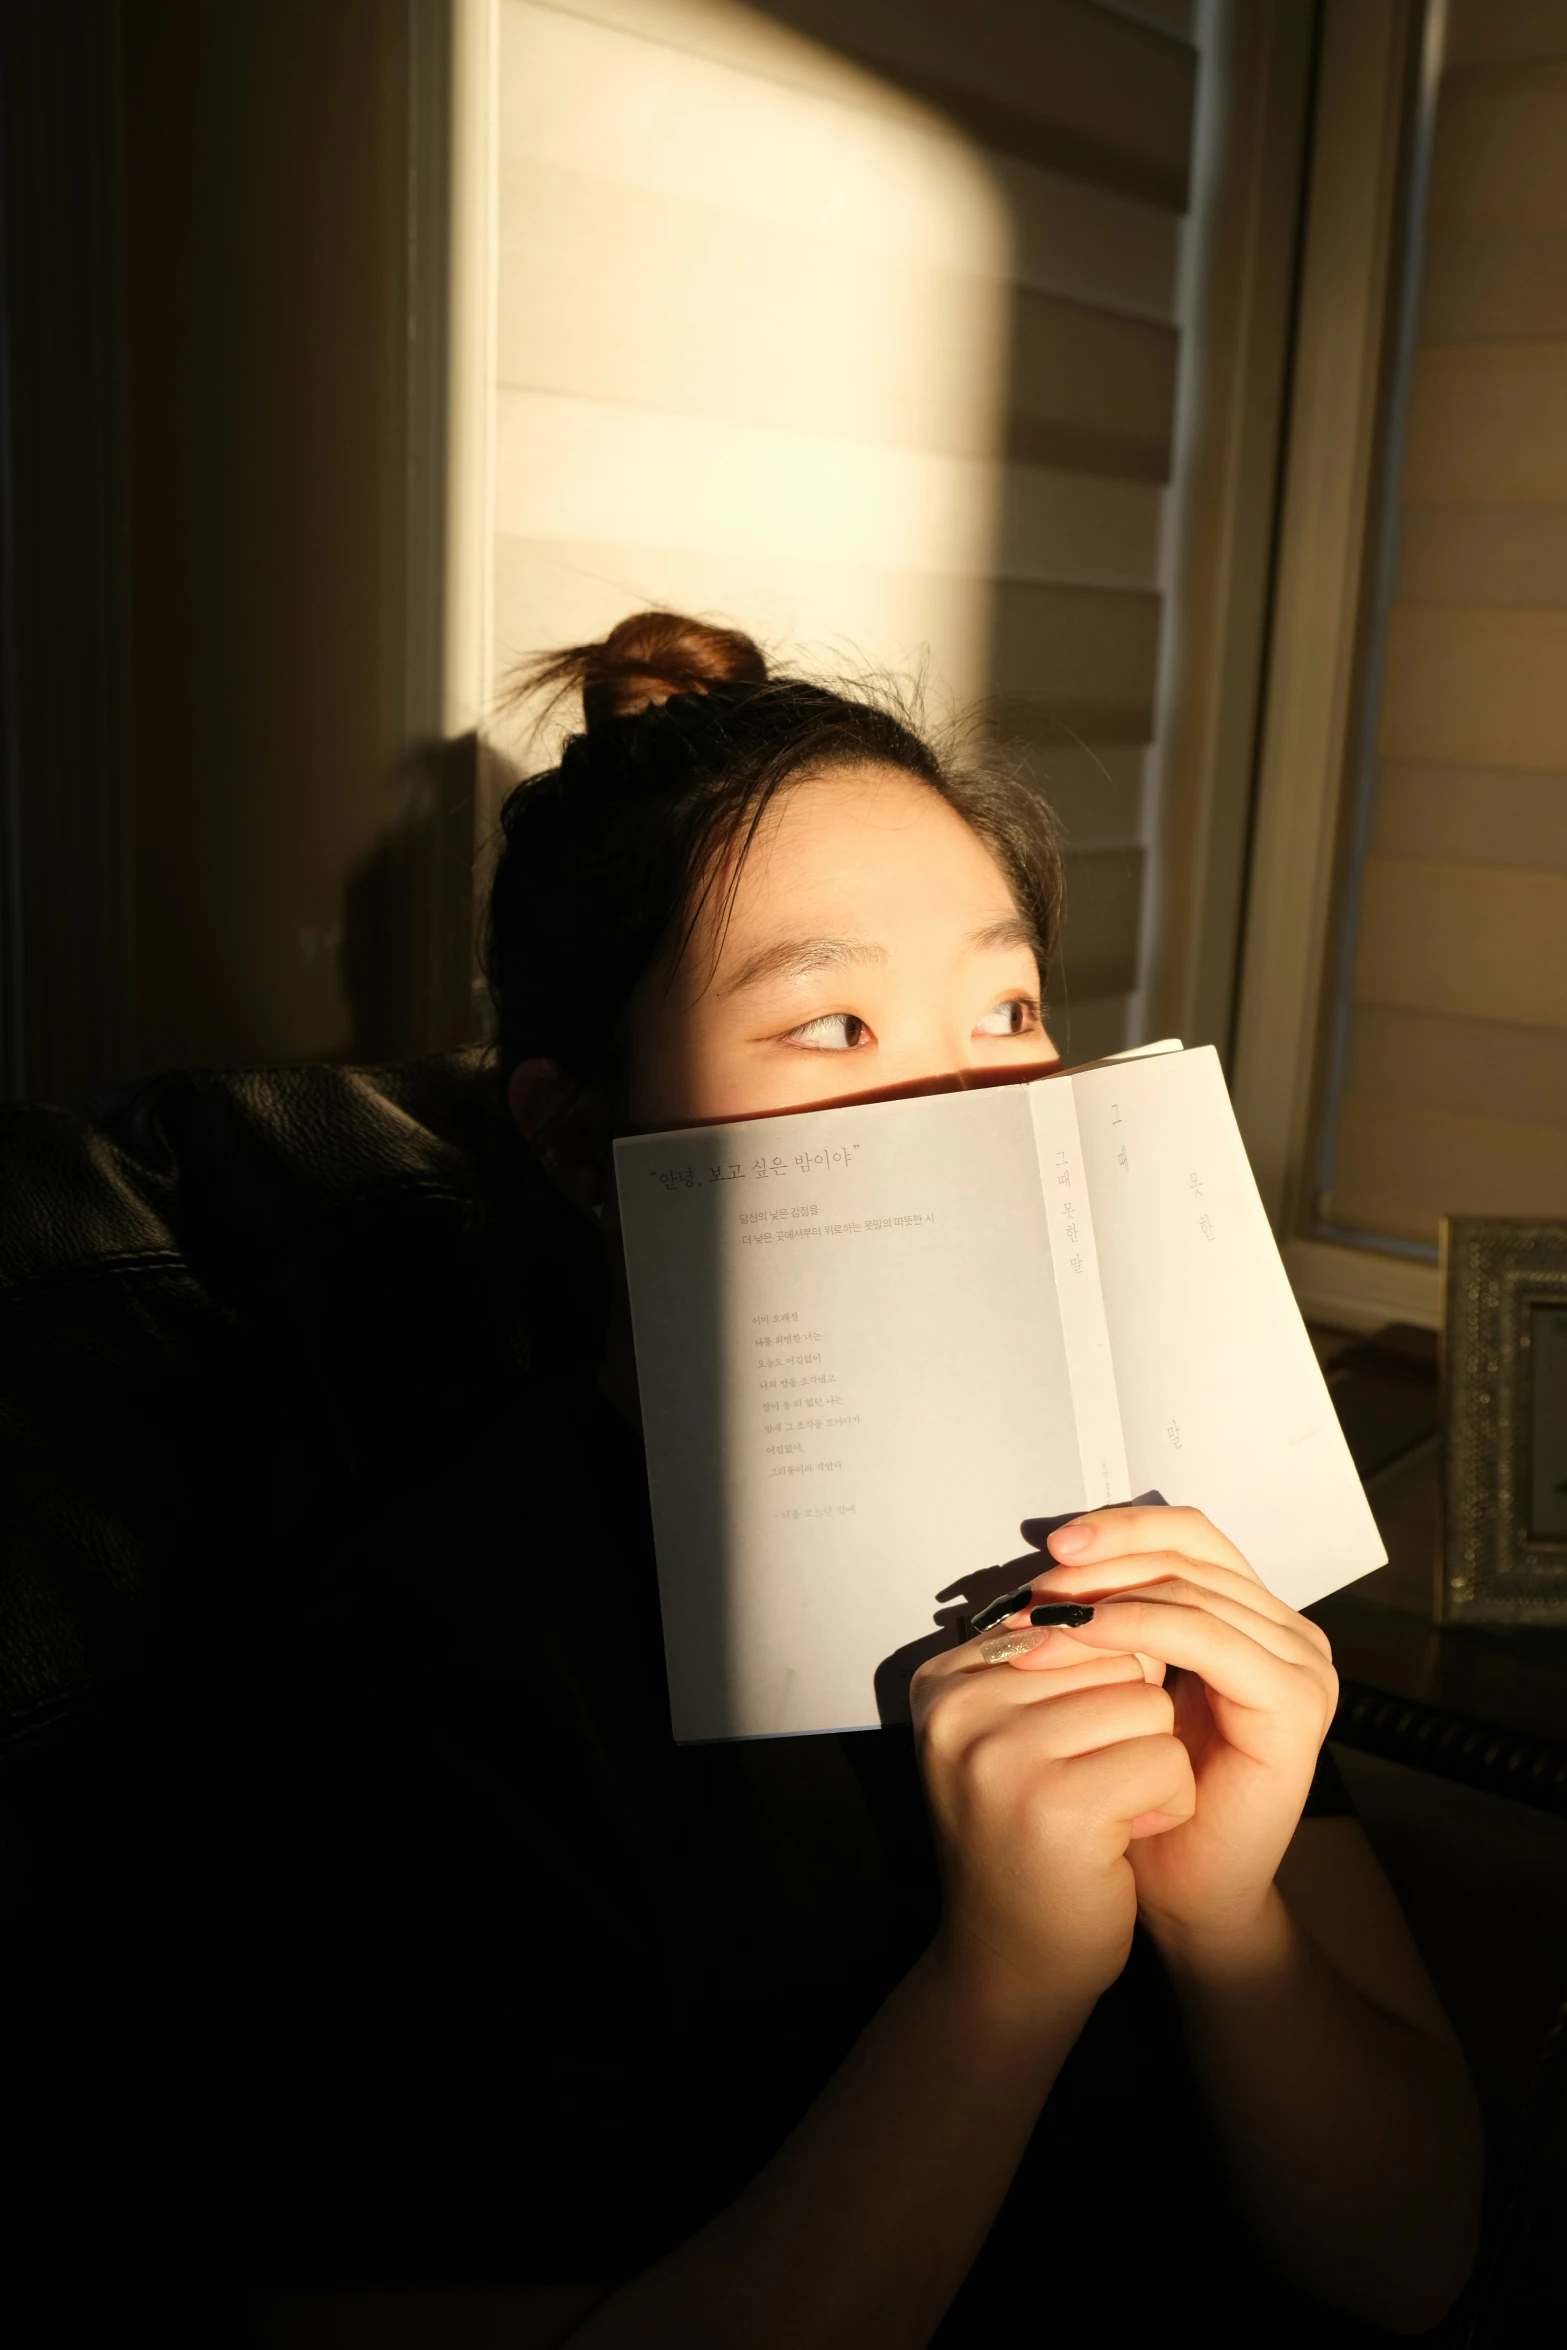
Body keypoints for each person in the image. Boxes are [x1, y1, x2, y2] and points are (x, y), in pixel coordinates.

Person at [246, 613, 1480, 2348]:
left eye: (1006, 1005)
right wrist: (1002, 1986)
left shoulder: (1145, 1515)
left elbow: (1412, 2259)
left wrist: (1230, 1921)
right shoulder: (424, 1658)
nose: (975, 1097)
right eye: (831, 1024)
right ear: (572, 1135)